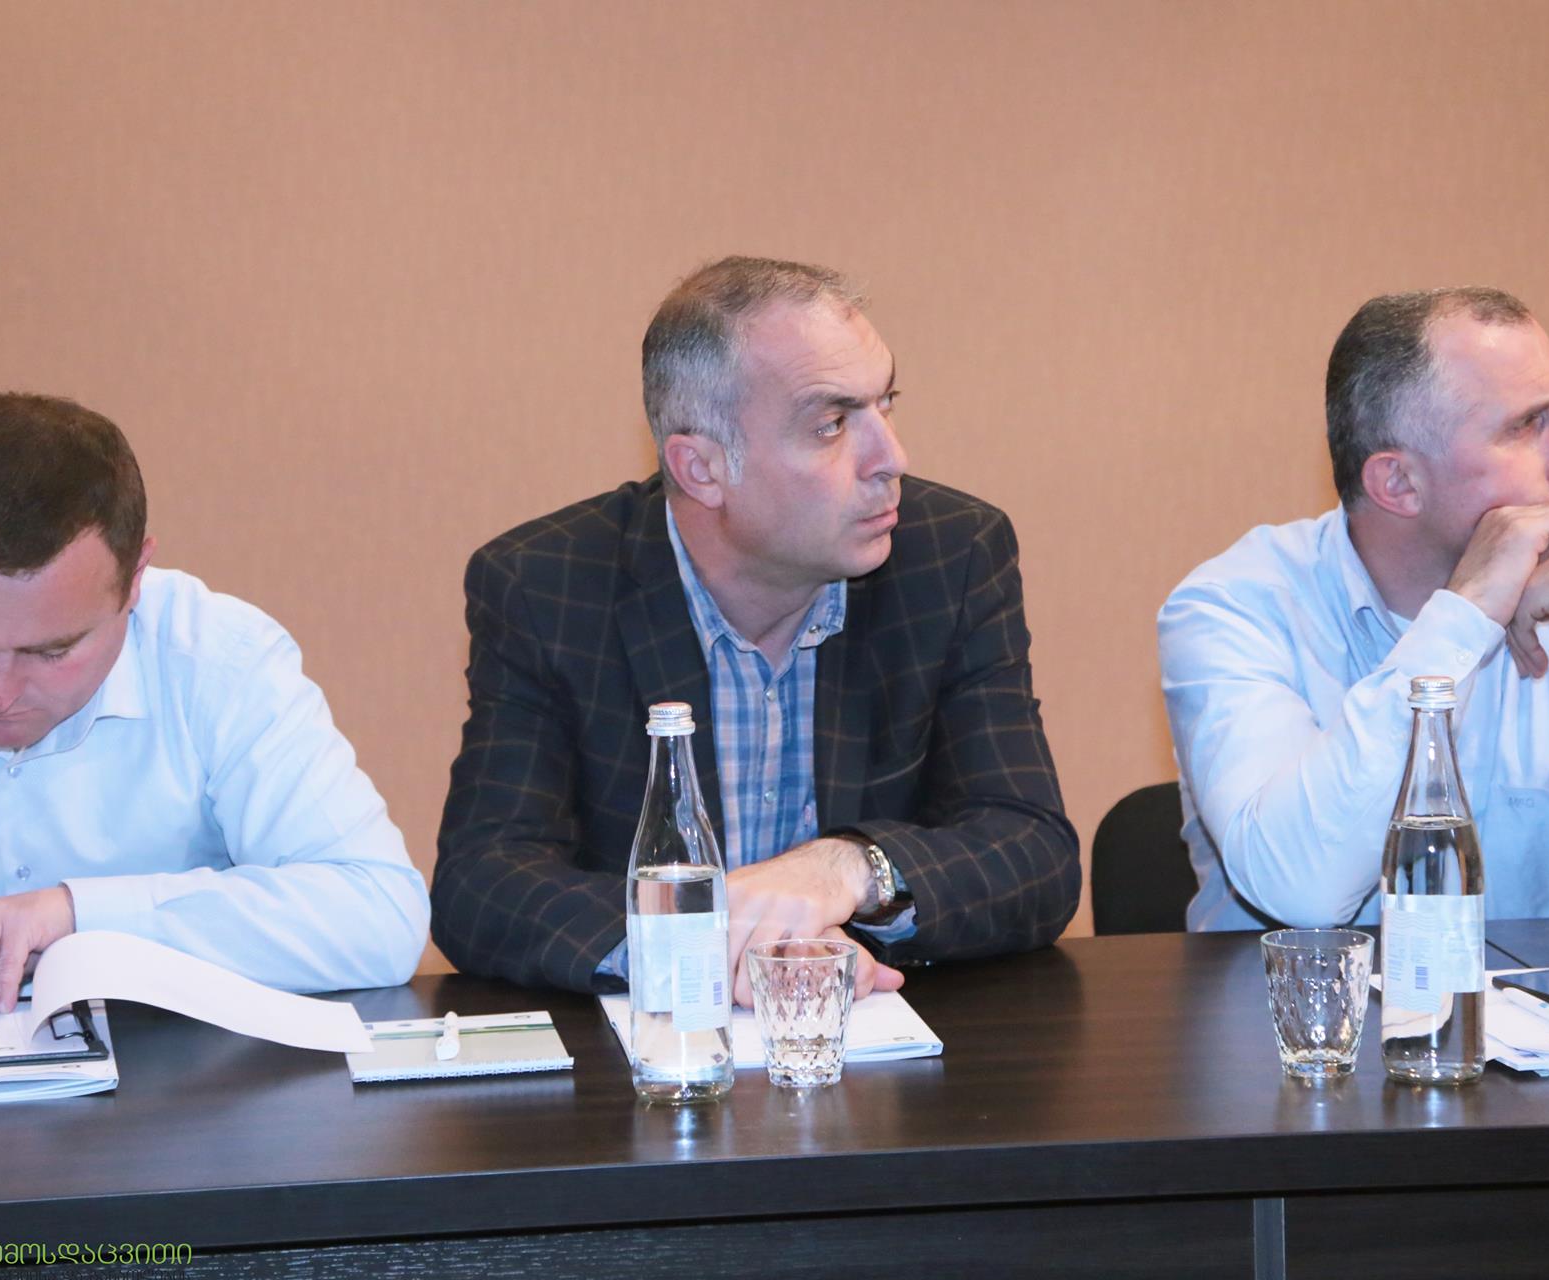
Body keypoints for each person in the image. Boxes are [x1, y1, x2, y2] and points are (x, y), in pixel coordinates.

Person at [434, 256, 1079, 1000]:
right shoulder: (547, 587)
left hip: (881, 1038)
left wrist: (844, 868)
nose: (891, 459)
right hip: (656, 1058)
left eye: (886, 404)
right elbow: (483, 883)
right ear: (701, 469)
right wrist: (704, 941)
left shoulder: (951, 555)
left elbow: (1032, 848)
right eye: (832, 425)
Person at [0, 393, 429, 1026]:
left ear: (135, 579)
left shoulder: (220, 662)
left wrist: (83, 917)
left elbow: (378, 912)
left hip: (178, 1098)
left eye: (52, 650)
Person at [1160, 287, 1549, 931]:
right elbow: (1303, 891)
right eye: (1526, 425)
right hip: (1300, 1002)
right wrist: (1468, 613)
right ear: (1398, 482)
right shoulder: (1234, 608)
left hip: (1537, 1000)